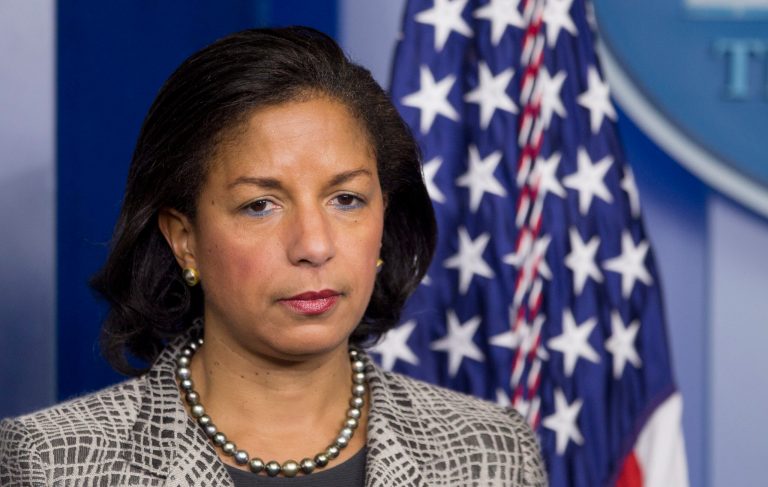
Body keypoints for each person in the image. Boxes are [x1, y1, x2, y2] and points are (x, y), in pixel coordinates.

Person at [0, 27, 546, 486]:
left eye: (346, 199)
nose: (314, 245)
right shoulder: (51, 464)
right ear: (184, 238)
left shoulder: (493, 452)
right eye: (260, 205)